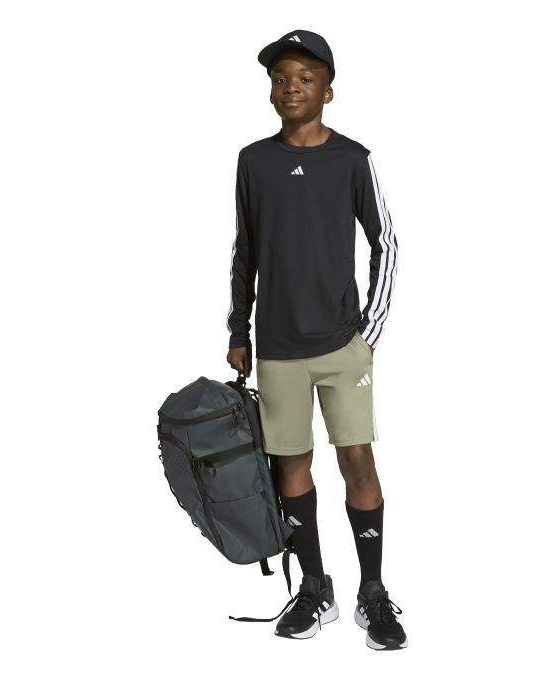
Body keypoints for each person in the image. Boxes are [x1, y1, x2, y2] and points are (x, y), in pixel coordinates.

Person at [225, 29, 406, 651]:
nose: (291, 87)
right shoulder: (253, 161)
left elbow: (387, 242)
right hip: (277, 348)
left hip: (341, 347)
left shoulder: (352, 158)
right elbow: (245, 251)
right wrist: (239, 330)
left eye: (305, 78)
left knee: (358, 459)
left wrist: (368, 332)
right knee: (290, 466)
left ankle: (372, 592)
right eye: (280, 79)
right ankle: (315, 587)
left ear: (328, 90)